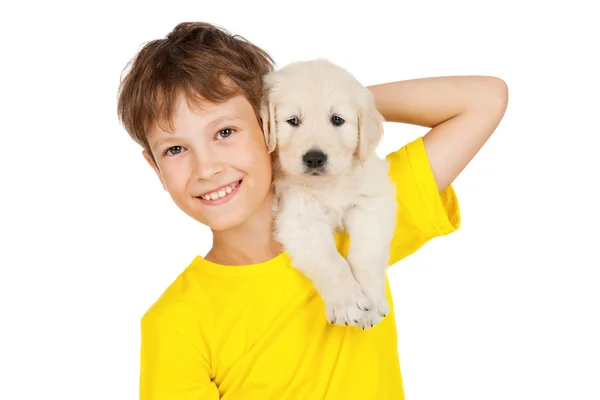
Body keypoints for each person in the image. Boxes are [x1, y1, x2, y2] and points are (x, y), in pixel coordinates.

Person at [117, 21, 508, 400]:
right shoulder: (175, 324)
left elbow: (484, 100)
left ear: (266, 126)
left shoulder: (360, 218)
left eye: (225, 132)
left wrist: (325, 104)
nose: (207, 168)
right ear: (156, 169)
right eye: (175, 149)